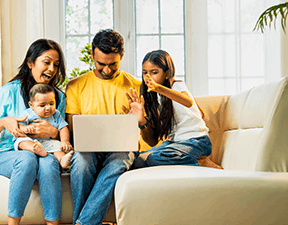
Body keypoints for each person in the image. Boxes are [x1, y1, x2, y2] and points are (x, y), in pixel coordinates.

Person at [0, 39, 67, 225]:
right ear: (30, 63)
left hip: (45, 151)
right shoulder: (8, 92)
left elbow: (63, 133)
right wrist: (3, 122)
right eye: (46, 62)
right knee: (27, 159)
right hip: (8, 154)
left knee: (48, 164)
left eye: (56, 65)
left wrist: (53, 132)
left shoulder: (58, 97)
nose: (52, 69)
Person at [65, 29, 142, 225]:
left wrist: (138, 120)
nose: (106, 70)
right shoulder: (76, 85)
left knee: (117, 164)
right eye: (100, 64)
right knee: (81, 164)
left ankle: (82, 223)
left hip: (122, 148)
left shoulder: (136, 85)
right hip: (89, 147)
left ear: (122, 56)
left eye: (112, 65)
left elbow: (147, 130)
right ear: (92, 55)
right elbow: (71, 123)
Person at [123, 49, 222, 169]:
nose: (148, 77)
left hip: (197, 141)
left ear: (167, 73)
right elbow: (152, 141)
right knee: (138, 160)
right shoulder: (154, 97)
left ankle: (201, 163)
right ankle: (192, 159)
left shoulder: (177, 86)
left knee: (153, 158)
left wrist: (159, 88)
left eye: (154, 72)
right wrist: (142, 121)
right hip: (175, 143)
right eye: (145, 72)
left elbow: (188, 101)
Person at [14, 83, 74, 169]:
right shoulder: (28, 114)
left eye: (51, 104)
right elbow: (19, 126)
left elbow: (63, 128)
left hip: (48, 142)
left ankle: (62, 159)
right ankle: (35, 149)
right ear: (31, 105)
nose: (48, 108)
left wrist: (65, 141)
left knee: (58, 147)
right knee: (21, 141)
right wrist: (25, 128)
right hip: (32, 141)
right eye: (42, 105)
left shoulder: (56, 114)